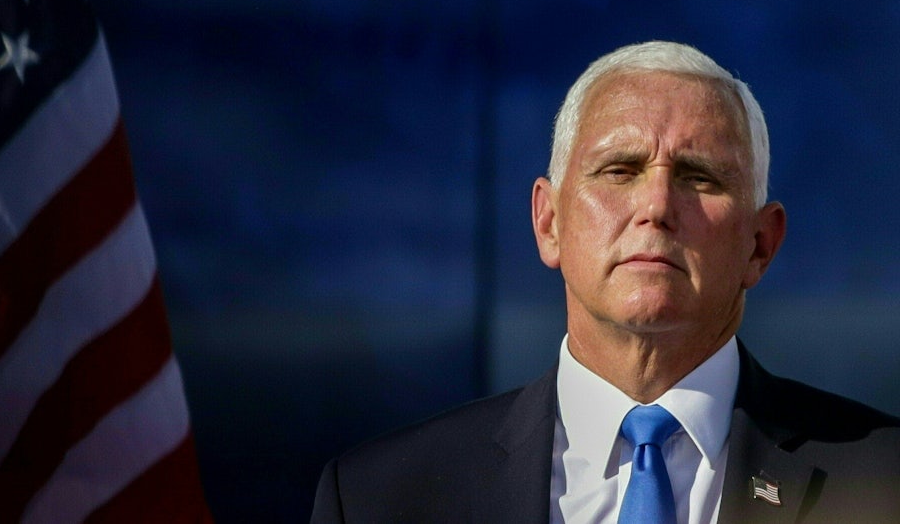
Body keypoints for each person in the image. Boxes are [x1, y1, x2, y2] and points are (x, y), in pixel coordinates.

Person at [310, 41, 900, 523]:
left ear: (760, 244)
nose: (656, 205)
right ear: (549, 222)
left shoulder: (886, 483)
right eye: (619, 170)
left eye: (698, 177)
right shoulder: (379, 500)